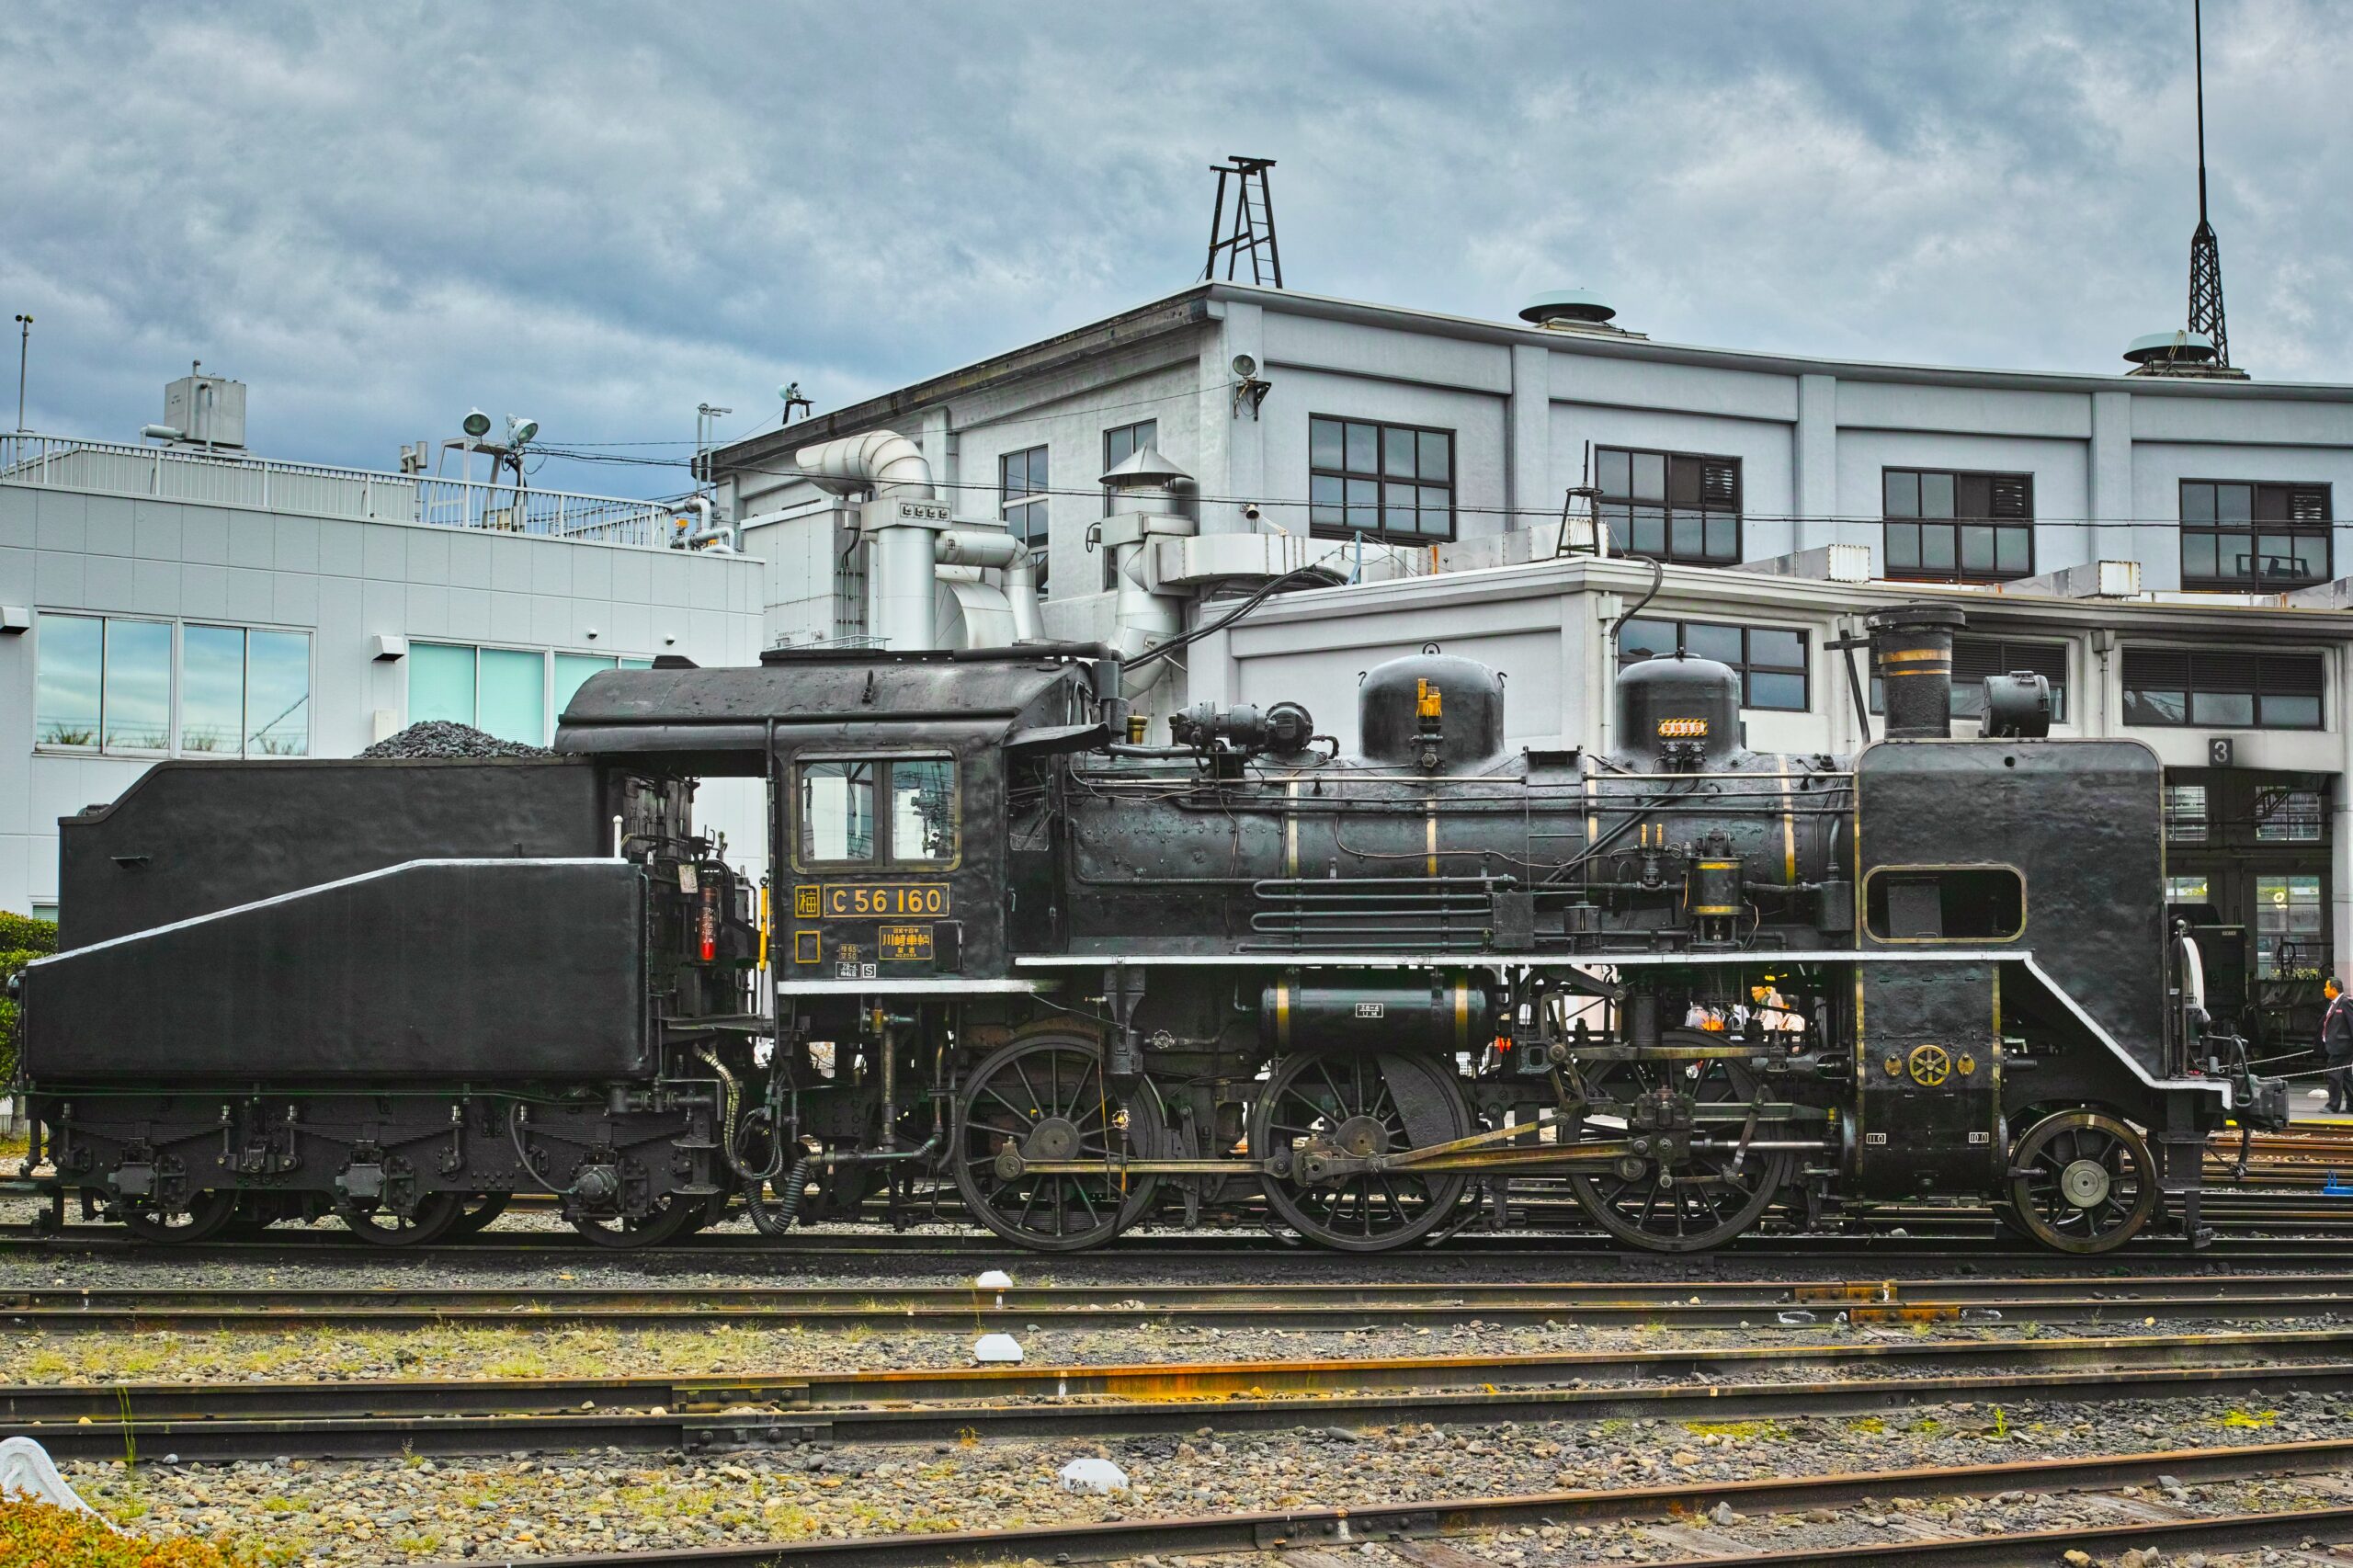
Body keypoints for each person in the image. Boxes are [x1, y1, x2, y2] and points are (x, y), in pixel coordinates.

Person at [2323, 977, 2353, 1115]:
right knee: (2346, 1077)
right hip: (2336, 1045)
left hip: (2343, 1047)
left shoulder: (2345, 1003)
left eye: (2326, 987)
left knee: (2333, 1074)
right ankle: (2352, 1105)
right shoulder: (2333, 1004)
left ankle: (2332, 1105)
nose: (2324, 990)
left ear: (2334, 989)